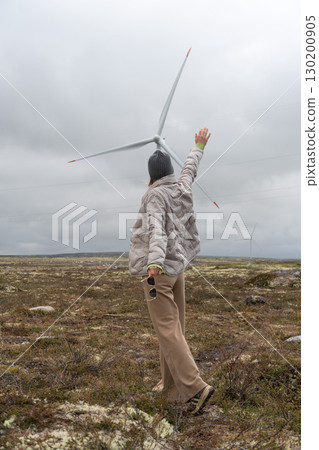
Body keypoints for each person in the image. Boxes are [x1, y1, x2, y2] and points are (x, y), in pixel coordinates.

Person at [129, 128, 214, 414]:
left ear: (151, 173)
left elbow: (156, 229)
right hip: (178, 266)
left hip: (161, 269)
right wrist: (198, 147)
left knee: (167, 328)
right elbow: (190, 169)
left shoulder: (155, 195)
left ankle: (195, 388)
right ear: (170, 170)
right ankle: (169, 386)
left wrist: (154, 261)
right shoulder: (181, 186)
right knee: (173, 329)